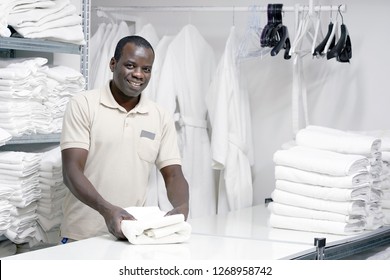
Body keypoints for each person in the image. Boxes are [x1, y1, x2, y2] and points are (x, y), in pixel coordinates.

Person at [59, 35, 189, 242]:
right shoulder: (83, 105)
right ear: (113, 64)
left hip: (131, 234)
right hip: (81, 235)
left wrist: (182, 206)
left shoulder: (159, 116)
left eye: (146, 69)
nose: (138, 74)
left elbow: (173, 174)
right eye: (130, 65)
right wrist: (106, 210)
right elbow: (71, 171)